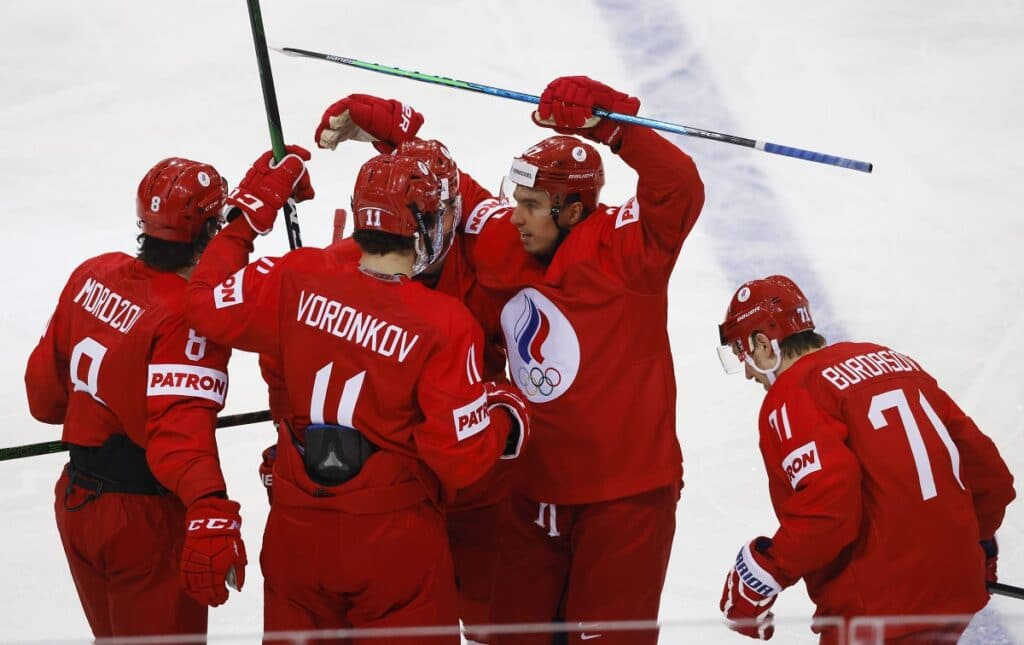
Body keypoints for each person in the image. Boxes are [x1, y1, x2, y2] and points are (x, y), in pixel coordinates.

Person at [184, 148, 529, 641]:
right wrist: (503, 411)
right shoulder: (443, 322)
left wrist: (244, 220)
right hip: (392, 540)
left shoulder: (297, 276)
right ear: (428, 222)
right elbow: (461, 459)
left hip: (297, 529)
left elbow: (203, 304)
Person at [458, 76, 704, 644]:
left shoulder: (628, 252)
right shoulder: (509, 238)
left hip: (623, 502)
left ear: (572, 210)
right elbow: (459, 197)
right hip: (533, 493)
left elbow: (680, 187)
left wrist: (614, 128)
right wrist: (394, 132)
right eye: (516, 202)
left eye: (531, 206)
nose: (515, 217)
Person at [314, 96, 526, 638]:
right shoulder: (334, 271)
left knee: (491, 620)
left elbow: (448, 191)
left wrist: (396, 131)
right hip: (396, 500)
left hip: (460, 494)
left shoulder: (484, 239)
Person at [715, 274, 1015, 644]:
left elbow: (829, 504)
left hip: (879, 610)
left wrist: (766, 571)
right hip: (954, 595)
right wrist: (979, 543)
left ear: (763, 342)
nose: (746, 372)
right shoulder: (893, 361)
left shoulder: (793, 393)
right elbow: (990, 476)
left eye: (743, 353)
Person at [23, 158, 247, 638]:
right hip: (145, 521)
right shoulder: (185, 318)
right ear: (209, 230)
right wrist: (210, 506)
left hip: (78, 503)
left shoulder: (93, 272)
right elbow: (180, 439)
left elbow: (43, 400)